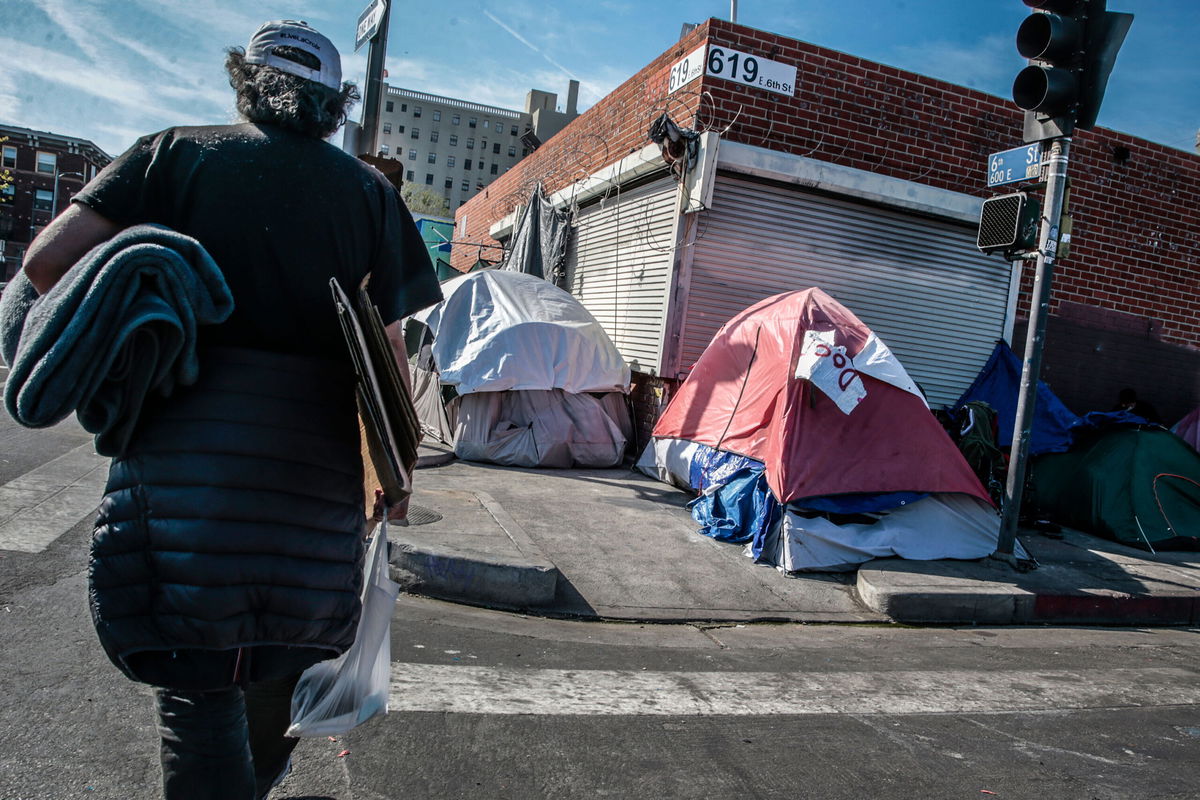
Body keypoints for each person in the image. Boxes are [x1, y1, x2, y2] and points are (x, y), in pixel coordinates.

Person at [21, 20, 441, 799]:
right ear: (332, 102)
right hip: (313, 488)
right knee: (284, 661)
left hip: (181, 473)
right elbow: (386, 358)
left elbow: (47, 264)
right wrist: (395, 474)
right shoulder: (370, 197)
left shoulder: (172, 154)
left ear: (245, 82)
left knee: (198, 689)